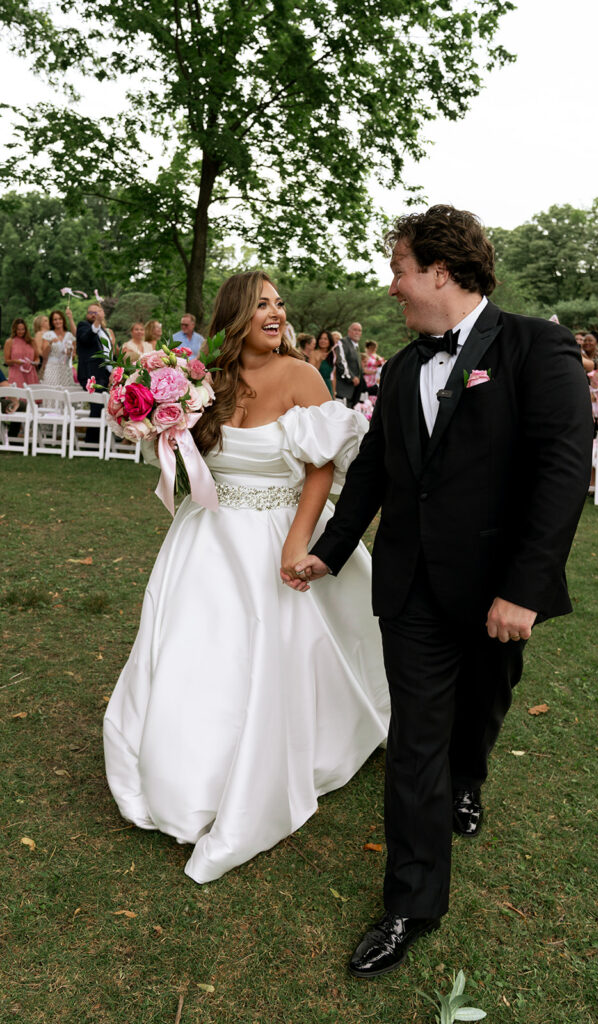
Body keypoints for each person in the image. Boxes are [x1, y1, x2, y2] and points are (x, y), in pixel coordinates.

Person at [289, 205, 593, 978]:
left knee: (480, 707)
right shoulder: (397, 368)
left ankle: (470, 780)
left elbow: (560, 473)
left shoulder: (536, 346)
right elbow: (378, 474)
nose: (391, 286)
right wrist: (328, 550)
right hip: (412, 587)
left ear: (440, 271)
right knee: (413, 740)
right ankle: (410, 903)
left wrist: (522, 589)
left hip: (498, 589)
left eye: (399, 268)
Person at [103, 271, 390, 884]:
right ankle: (187, 768)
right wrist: (152, 420)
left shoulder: (301, 376)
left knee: (275, 651)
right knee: (195, 650)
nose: (276, 313)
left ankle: (279, 756)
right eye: (262, 304)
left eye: (279, 304)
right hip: (206, 532)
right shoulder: (203, 381)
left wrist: (295, 540)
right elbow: (189, 456)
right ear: (235, 316)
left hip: (280, 526)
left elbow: (320, 467)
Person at [76, 303, 115, 441]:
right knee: (97, 406)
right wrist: (97, 321)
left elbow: (107, 351)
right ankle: (92, 440)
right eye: (91, 312)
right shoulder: (83, 326)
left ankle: (102, 439)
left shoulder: (103, 331)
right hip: (91, 374)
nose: (94, 315)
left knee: (105, 407)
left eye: (97, 312)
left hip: (105, 373)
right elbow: (86, 338)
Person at [41, 310, 77, 387]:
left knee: (66, 393)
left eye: (60, 319)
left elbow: (73, 357)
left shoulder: (70, 335)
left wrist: (70, 353)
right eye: (55, 319)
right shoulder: (48, 335)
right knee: (52, 392)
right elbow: (44, 355)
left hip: (65, 369)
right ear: (52, 322)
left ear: (63, 320)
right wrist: (50, 343)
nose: (58, 321)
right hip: (52, 368)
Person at [4, 318, 40, 387]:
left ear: (26, 329)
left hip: (31, 374)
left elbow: (37, 358)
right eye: (18, 329)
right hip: (16, 374)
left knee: (32, 396)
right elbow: (7, 361)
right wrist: (15, 361)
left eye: (23, 329)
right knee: (17, 396)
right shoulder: (9, 342)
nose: (21, 332)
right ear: (15, 329)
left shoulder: (32, 341)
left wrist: (35, 362)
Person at [336, 322, 363, 407]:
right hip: (343, 387)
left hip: (353, 390)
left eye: (359, 330)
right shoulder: (343, 342)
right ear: (349, 331)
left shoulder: (356, 346)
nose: (357, 332)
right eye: (355, 330)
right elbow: (341, 362)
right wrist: (352, 377)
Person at [310, 329, 335, 396]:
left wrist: (334, 393)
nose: (322, 341)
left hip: (328, 387)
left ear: (329, 341)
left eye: (325, 339)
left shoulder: (333, 355)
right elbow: (312, 373)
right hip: (317, 385)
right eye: (321, 338)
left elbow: (334, 377)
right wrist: (319, 361)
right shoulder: (313, 353)